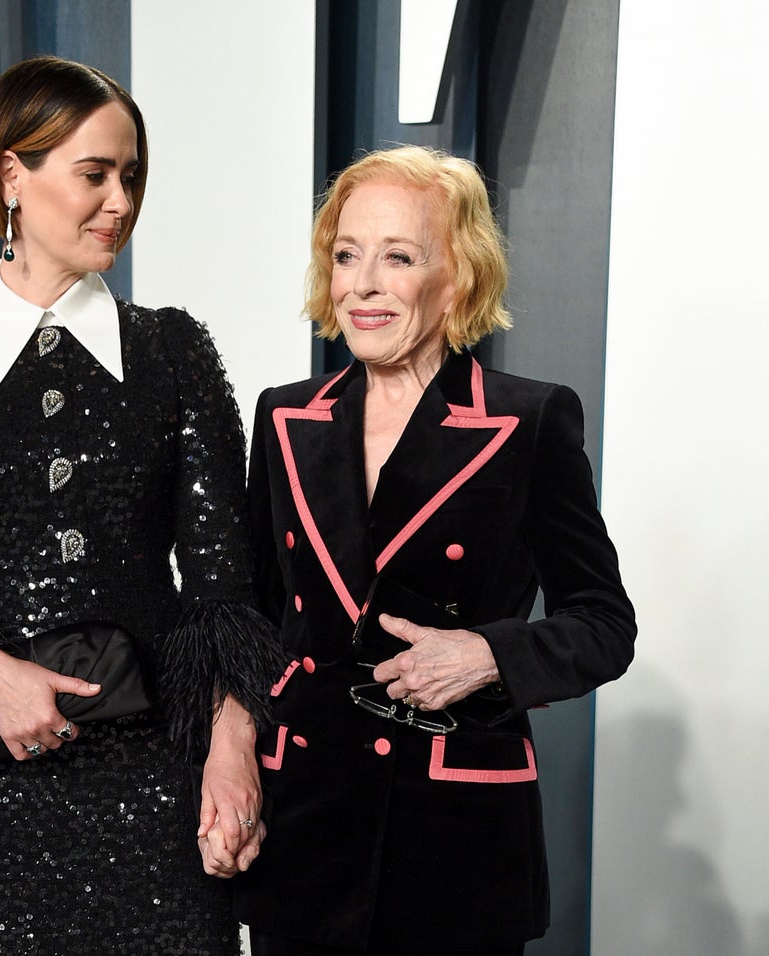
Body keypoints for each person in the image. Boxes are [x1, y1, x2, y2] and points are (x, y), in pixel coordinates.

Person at [0, 55, 280, 954]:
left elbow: (223, 589)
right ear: (13, 174)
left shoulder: (173, 353)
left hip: (153, 774)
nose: (120, 200)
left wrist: (231, 754)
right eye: (95, 174)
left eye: (131, 176)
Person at [233, 146, 637, 955]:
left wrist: (488, 654)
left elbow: (604, 624)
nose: (364, 284)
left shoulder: (529, 421)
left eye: (399, 257)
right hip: (304, 828)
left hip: (456, 840)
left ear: (457, 277)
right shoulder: (283, 418)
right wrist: (233, 763)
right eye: (346, 255)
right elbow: (247, 617)